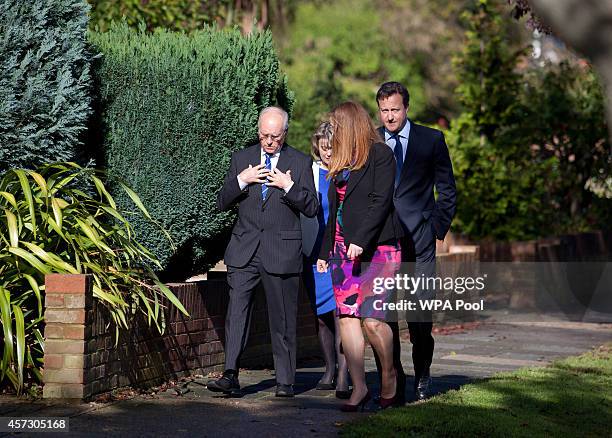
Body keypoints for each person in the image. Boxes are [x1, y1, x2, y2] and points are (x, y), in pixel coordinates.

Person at [208, 106, 319, 398]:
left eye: (275, 136)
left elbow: (311, 207)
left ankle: (285, 381)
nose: (269, 141)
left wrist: (288, 185)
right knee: (236, 314)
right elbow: (221, 201)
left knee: (282, 319)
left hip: (281, 251)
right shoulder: (241, 159)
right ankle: (230, 375)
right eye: (264, 135)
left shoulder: (300, 161)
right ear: (258, 131)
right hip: (245, 250)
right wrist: (242, 180)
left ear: (285, 133)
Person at [316, 101, 403, 412]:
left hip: (378, 249)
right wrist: (327, 250)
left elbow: (381, 202)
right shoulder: (340, 162)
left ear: (352, 124)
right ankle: (360, 388)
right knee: (349, 320)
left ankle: (390, 375)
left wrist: (360, 241)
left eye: (338, 125)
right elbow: (333, 212)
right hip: (342, 252)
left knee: (373, 321)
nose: (334, 130)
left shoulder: (380, 154)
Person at [376, 81, 457, 401]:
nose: (390, 116)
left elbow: (447, 189)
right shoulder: (371, 141)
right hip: (383, 241)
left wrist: (436, 226)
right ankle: (393, 374)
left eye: (395, 110)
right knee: (386, 313)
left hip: (420, 240)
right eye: (384, 111)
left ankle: (423, 374)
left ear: (406, 107)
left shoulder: (431, 139)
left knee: (420, 313)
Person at [300, 121, 350, 398]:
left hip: (338, 253)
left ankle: (344, 373)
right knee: (321, 317)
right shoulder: (311, 172)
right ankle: (329, 370)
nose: (328, 152)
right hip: (314, 252)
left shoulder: (346, 174)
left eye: (332, 147)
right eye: (323, 147)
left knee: (341, 315)